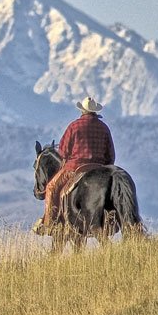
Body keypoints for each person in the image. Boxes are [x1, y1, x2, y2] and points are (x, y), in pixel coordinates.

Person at [34, 96, 116, 234]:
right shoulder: (104, 127)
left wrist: (69, 159)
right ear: (95, 111)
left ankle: (50, 223)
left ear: (82, 111)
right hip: (100, 169)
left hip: (76, 168)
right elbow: (111, 155)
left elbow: (63, 151)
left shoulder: (74, 126)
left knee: (51, 187)